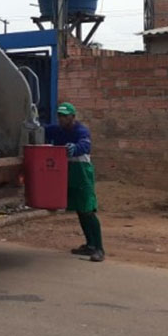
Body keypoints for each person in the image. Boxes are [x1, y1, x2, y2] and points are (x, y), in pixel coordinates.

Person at [45, 102, 105, 262]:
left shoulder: (81, 131)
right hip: (68, 173)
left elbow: (85, 144)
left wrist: (75, 148)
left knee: (88, 210)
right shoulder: (57, 130)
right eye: (60, 116)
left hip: (82, 172)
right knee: (80, 210)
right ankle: (90, 245)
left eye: (65, 116)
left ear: (73, 117)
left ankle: (99, 248)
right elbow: (42, 130)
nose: (62, 119)